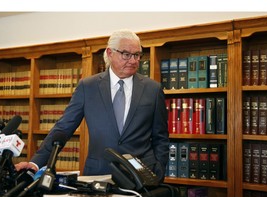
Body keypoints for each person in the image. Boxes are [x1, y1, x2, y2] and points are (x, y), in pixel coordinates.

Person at [15, 29, 170, 183]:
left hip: (141, 176)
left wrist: (159, 170)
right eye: (126, 54)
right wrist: (35, 163)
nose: (133, 60)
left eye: (137, 55)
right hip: (98, 173)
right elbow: (63, 128)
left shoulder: (153, 89)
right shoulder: (88, 87)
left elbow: (161, 137)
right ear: (110, 53)